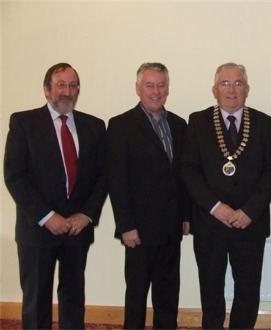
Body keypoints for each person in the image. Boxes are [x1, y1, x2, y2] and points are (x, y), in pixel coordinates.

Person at [3, 63, 107, 329]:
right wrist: (47, 217)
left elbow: (103, 177)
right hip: (38, 229)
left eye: (73, 86)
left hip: (77, 229)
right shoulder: (24, 123)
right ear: (47, 89)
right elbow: (15, 175)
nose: (67, 91)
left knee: (73, 299)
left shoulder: (94, 126)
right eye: (61, 84)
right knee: (36, 302)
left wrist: (86, 215)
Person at [181, 62, 271, 329]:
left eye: (238, 83)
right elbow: (189, 171)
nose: (231, 90)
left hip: (250, 223)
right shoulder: (198, 121)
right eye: (225, 83)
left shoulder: (264, 123)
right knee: (210, 288)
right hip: (210, 222)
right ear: (214, 90)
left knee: (248, 290)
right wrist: (215, 207)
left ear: (247, 89)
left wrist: (250, 210)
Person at [106, 62, 189, 329]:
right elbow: (116, 181)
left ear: (168, 88)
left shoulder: (178, 124)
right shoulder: (120, 125)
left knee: (168, 295)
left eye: (161, 85)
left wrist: (186, 216)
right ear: (138, 88)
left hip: (170, 228)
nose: (156, 91)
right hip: (138, 231)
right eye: (150, 85)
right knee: (137, 296)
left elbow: (182, 176)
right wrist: (126, 225)